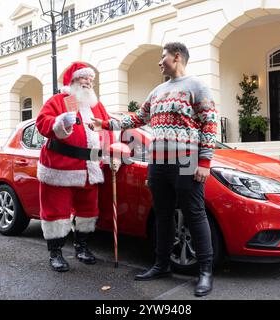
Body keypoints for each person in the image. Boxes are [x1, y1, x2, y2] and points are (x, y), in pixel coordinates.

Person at [90, 42, 218, 296]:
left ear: (177, 57)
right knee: (162, 214)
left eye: (163, 57)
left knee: (194, 214)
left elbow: (210, 124)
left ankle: (205, 271)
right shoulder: (157, 91)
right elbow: (137, 118)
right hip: (157, 162)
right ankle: (161, 265)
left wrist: (204, 162)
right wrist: (105, 123)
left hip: (186, 160)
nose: (160, 62)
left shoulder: (197, 86)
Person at [36, 62, 113, 272]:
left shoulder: (96, 105)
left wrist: (111, 153)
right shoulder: (62, 101)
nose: (89, 82)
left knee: (88, 212)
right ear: (73, 81)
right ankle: (56, 253)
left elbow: (107, 130)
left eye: (91, 79)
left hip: (90, 169)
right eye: (84, 78)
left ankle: (82, 247)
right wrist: (60, 122)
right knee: (57, 212)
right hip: (61, 169)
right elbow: (43, 122)